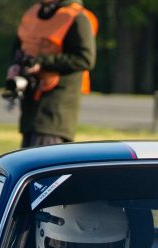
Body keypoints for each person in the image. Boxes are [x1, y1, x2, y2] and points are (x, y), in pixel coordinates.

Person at [9, 0, 98, 148]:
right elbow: (18, 47)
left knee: (42, 165)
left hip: (54, 112)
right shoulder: (34, 13)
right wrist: (16, 67)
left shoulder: (77, 17)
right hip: (31, 107)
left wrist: (42, 63)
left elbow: (85, 59)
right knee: (27, 164)